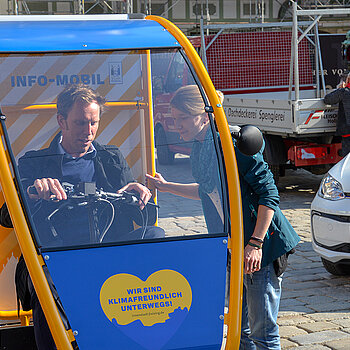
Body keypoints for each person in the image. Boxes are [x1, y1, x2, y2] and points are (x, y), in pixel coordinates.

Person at [0, 84, 164, 350]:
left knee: (156, 235)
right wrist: (33, 192)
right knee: (44, 281)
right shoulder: (35, 162)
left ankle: (140, 329)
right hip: (56, 257)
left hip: (107, 252)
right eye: (80, 123)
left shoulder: (110, 157)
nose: (88, 132)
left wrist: (137, 194)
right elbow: (7, 217)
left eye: (93, 123)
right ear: (61, 121)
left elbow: (137, 214)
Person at [146, 85, 300, 349]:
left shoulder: (232, 144)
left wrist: (255, 244)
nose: (176, 125)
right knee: (240, 328)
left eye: (182, 117)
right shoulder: (198, 146)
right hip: (233, 247)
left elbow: (269, 194)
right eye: (175, 118)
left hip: (261, 245)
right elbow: (207, 191)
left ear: (203, 115)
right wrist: (166, 186)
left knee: (263, 332)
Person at [324, 72, 350, 157]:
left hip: (348, 133)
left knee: (347, 160)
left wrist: (340, 89)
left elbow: (327, 99)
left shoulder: (344, 92)